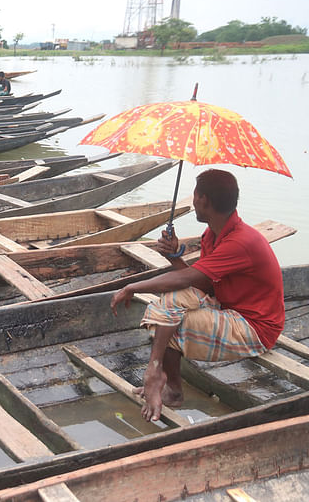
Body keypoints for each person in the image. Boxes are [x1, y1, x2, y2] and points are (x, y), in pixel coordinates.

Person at [110, 169, 284, 423]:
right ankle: (157, 373)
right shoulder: (213, 234)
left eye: (195, 196)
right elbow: (203, 283)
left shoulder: (240, 241)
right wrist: (174, 257)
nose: (193, 202)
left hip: (257, 328)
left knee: (168, 323)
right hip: (227, 307)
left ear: (203, 200)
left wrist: (132, 287)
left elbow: (186, 280)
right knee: (168, 308)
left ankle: (168, 386)